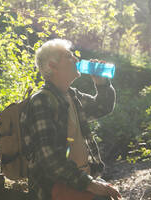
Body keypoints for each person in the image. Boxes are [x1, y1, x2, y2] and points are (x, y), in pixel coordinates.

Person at [24, 39, 121, 200]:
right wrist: (91, 185)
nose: (76, 60)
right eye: (69, 56)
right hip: (56, 186)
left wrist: (102, 83)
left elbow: (102, 107)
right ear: (53, 66)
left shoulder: (72, 95)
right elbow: (49, 159)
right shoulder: (41, 100)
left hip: (81, 179)